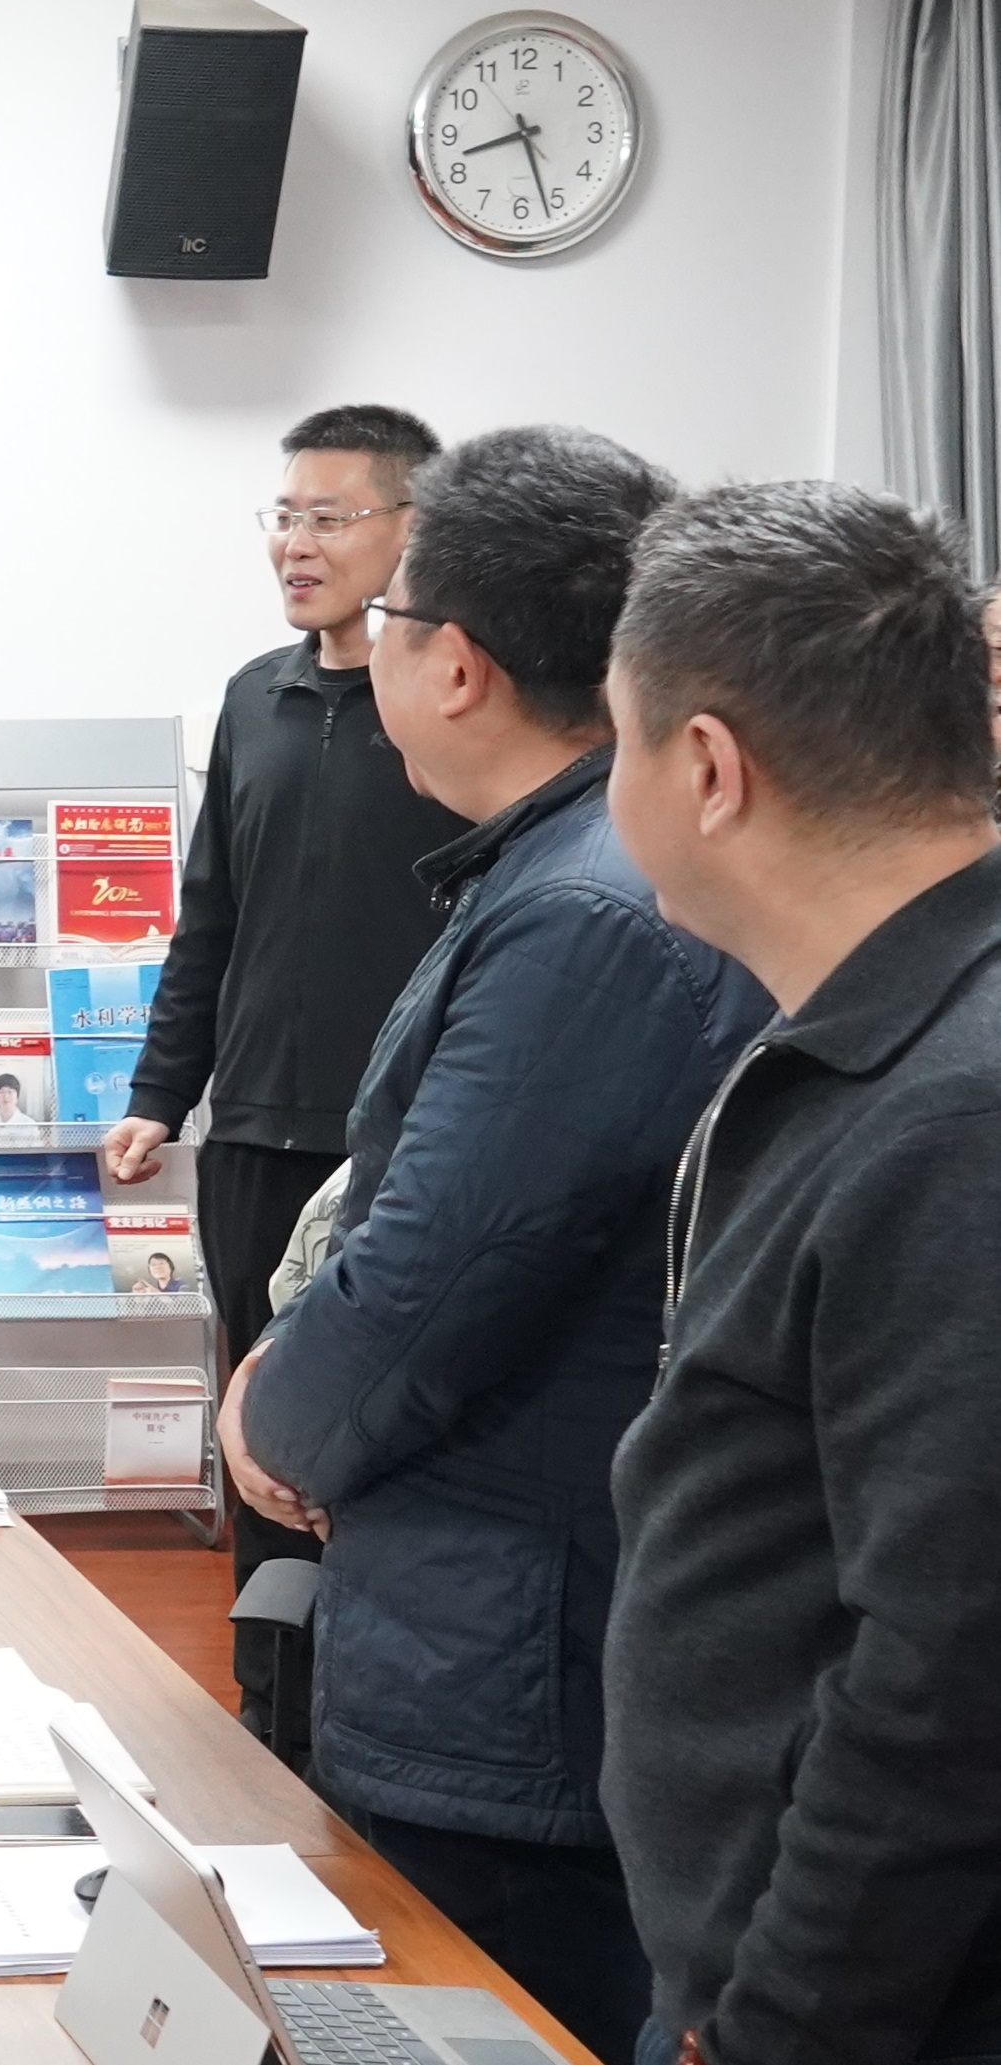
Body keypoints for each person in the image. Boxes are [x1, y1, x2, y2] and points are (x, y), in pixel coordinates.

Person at [217, 427, 771, 2058]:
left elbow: (430, 1279)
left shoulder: (584, 912)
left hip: (510, 1666)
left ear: (452, 664)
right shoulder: (569, 868)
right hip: (500, 1614)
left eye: (387, 617)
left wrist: (271, 1417)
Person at [602, 482, 1001, 2065]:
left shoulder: (958, 1114)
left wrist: (776, 2028)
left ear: (706, 768)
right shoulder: (877, 1039)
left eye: (616, 740)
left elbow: (946, 1679)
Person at [103, 403, 469, 1753]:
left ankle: (370, 1718)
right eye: (285, 515)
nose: (295, 544)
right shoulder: (255, 696)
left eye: (330, 516)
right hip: (256, 1126)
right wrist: (160, 1092)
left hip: (407, 1137)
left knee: (376, 1433)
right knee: (255, 1421)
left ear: (410, 529)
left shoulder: (446, 704)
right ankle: (270, 1713)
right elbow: (208, 913)